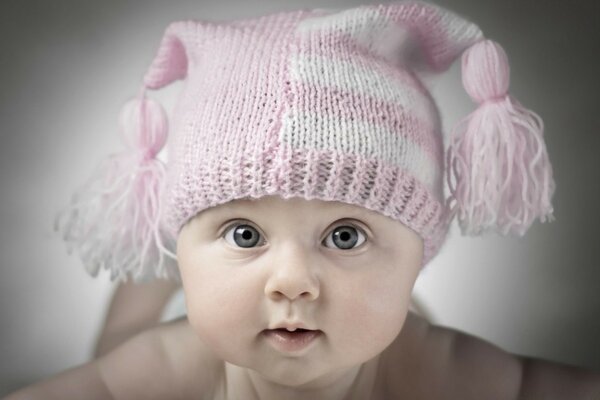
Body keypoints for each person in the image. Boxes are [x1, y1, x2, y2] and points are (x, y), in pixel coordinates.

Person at [5, 1, 600, 399]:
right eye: (244, 232)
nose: (292, 281)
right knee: (126, 335)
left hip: (389, 322)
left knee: (395, 319)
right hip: (170, 333)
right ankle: (159, 276)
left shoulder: (432, 366)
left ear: (424, 250)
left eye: (345, 234)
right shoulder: (172, 363)